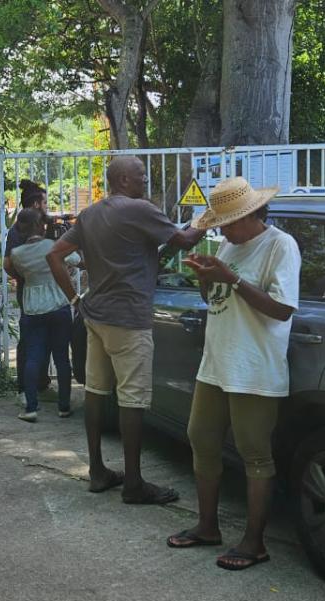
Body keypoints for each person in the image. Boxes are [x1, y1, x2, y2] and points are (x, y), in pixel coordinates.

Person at [46, 156, 208, 504]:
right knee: (132, 401)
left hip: (95, 317)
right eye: (141, 176)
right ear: (122, 180)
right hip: (130, 319)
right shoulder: (139, 210)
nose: (146, 182)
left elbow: (54, 256)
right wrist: (209, 219)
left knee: (95, 392)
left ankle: (98, 471)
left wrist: (75, 300)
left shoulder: (90, 214)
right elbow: (185, 241)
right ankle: (133, 483)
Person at [165, 176, 301, 572]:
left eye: (227, 222)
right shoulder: (230, 244)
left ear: (250, 215)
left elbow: (283, 309)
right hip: (217, 363)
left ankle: (255, 542)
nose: (221, 230)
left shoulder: (280, 246)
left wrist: (233, 279)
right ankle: (208, 527)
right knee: (201, 439)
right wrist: (208, 281)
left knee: (255, 454)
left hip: (255, 368)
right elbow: (217, 300)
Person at [4, 207, 79, 422]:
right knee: (62, 358)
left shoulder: (17, 254)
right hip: (58, 306)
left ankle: (30, 408)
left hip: (32, 310)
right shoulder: (53, 246)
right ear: (41, 225)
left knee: (33, 358)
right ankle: (64, 407)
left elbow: (16, 272)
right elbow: (76, 260)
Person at [6, 180, 51, 401]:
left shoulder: (46, 226)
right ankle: (24, 388)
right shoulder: (18, 231)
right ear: (35, 204)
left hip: (47, 292)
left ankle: (41, 384)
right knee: (29, 340)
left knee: (47, 337)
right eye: (45, 202)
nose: (47, 206)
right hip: (31, 292)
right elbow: (7, 263)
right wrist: (25, 276)